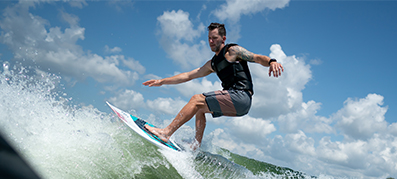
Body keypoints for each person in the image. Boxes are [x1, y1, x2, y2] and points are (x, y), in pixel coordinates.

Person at [143, 22, 284, 149]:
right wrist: (162, 81)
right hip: (237, 103)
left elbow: (257, 57)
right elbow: (188, 75)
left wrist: (272, 61)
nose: (211, 41)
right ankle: (195, 145)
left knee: (196, 99)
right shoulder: (213, 63)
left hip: (241, 96)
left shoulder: (233, 51)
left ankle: (166, 132)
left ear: (223, 38)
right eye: (209, 38)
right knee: (199, 108)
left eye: (215, 38)